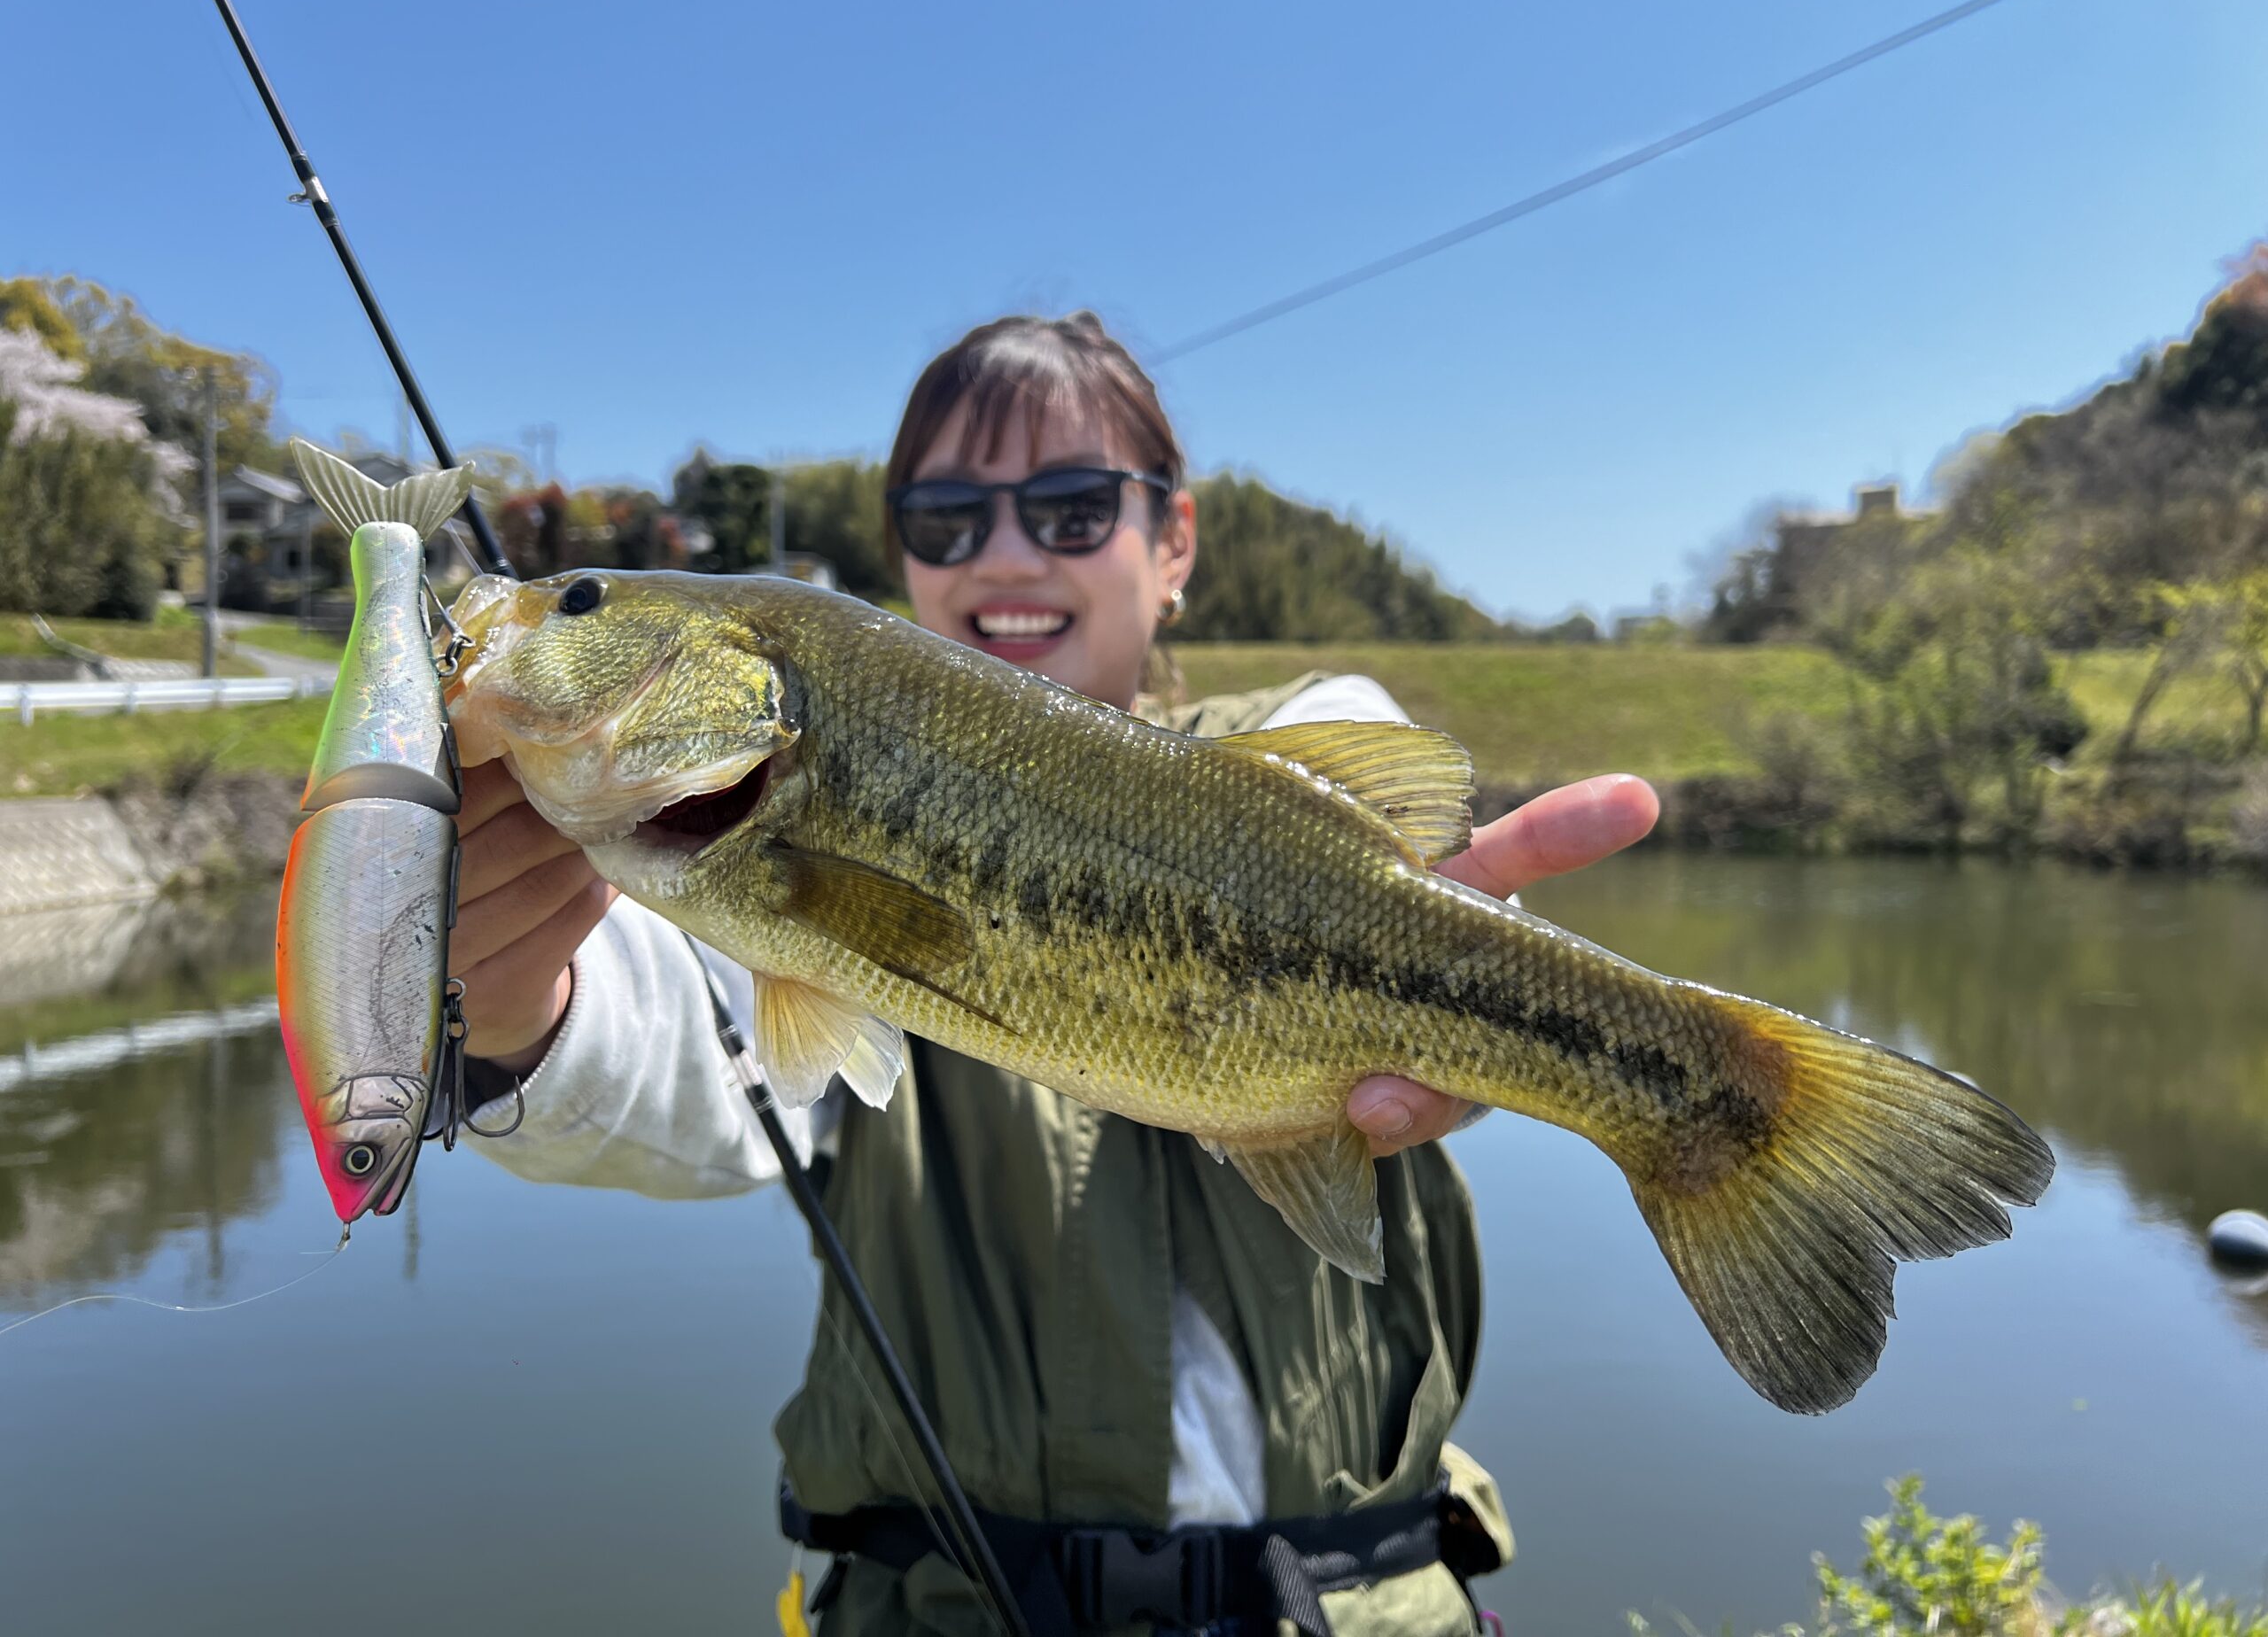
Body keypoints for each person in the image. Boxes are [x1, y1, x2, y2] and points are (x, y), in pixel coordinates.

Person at [452, 312, 1658, 1635]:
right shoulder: (740, 853)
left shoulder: (1299, 741)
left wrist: (1469, 1017)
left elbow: (1359, 763)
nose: (1009, 555)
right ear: (901, 550)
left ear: (1176, 542)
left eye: (1075, 508)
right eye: (947, 516)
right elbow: (694, 1049)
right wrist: (518, 1010)